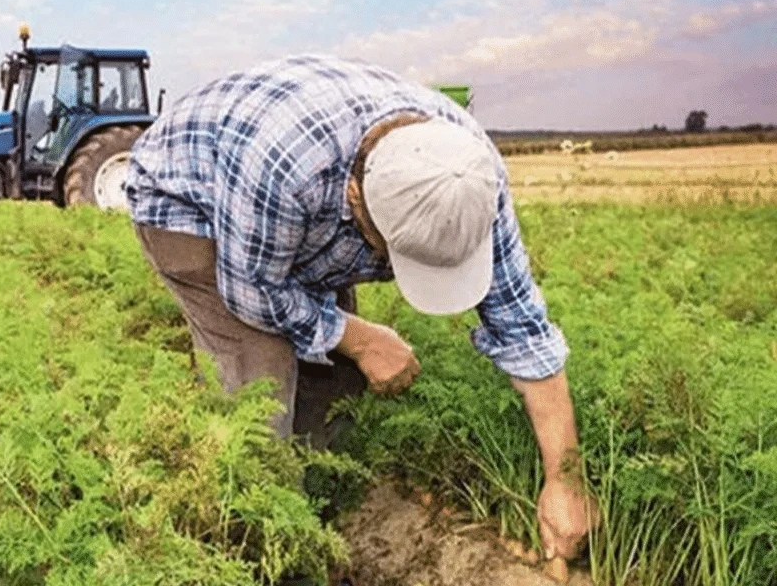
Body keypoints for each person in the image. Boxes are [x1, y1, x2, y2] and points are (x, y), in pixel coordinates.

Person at [123, 53, 593, 562]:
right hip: (191, 203)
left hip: (296, 210)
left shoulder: (469, 176)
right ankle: (255, 544)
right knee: (260, 388)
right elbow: (252, 292)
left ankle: (324, 513)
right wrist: (362, 338)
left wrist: (565, 480)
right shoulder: (286, 168)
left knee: (337, 381)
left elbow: (524, 330)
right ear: (355, 197)